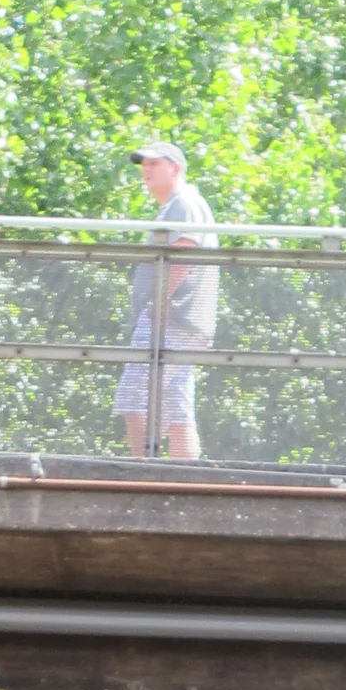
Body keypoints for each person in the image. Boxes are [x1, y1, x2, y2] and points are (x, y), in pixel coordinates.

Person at [113, 141, 218, 461]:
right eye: (143, 164)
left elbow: (184, 251)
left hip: (171, 318)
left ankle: (144, 475)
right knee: (175, 408)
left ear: (175, 168)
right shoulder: (180, 204)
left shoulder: (183, 202)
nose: (145, 170)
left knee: (133, 396)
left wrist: (157, 303)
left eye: (154, 164)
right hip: (184, 321)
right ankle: (186, 480)